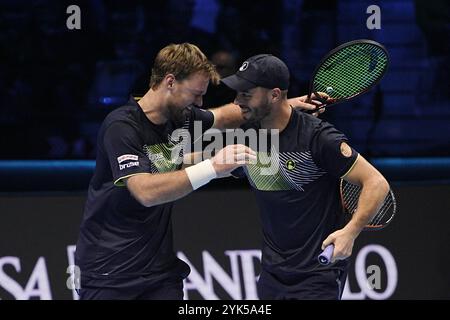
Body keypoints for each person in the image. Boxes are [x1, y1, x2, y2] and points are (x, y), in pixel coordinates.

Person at [74, 43, 315, 300]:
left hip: (159, 274)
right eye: (195, 94)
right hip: (108, 273)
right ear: (170, 82)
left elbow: (224, 116)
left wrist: (283, 106)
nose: (199, 102)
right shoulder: (122, 127)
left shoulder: (181, 117)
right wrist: (211, 167)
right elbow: (144, 191)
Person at [221, 54, 390, 300]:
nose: (237, 101)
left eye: (246, 94)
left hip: (316, 276)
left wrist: (351, 231)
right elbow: (200, 158)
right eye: (237, 93)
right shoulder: (248, 136)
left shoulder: (318, 137)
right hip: (271, 276)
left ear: (275, 95)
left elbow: (376, 183)